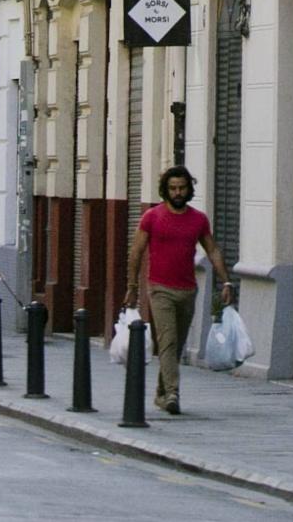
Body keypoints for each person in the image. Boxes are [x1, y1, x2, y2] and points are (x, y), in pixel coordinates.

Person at [124, 166, 233, 415]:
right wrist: (132, 287)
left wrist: (226, 281)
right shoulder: (152, 217)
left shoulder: (198, 219)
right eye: (172, 188)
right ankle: (173, 393)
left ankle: (162, 394)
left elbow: (212, 250)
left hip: (187, 290)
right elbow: (136, 252)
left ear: (189, 189)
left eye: (182, 188)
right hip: (160, 289)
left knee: (175, 345)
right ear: (165, 190)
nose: (177, 192)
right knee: (168, 341)